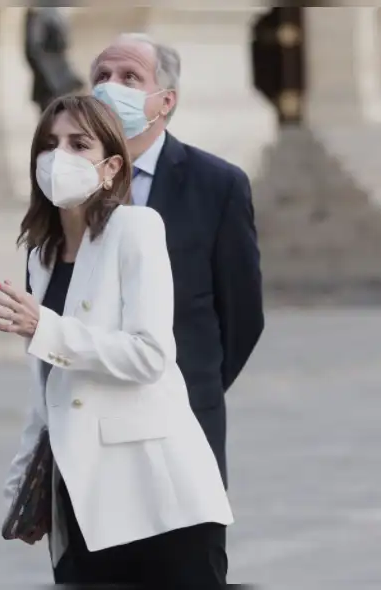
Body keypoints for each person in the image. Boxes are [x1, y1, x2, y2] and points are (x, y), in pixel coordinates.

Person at [0, 95, 233, 587]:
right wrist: (22, 484)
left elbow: (150, 355)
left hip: (157, 497)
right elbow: (46, 390)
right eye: (49, 144)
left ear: (111, 167)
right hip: (81, 498)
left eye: (78, 144)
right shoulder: (40, 256)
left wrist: (47, 329)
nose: (58, 157)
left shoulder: (136, 228)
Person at [89, 35, 264, 486]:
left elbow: (242, 314)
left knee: (186, 553)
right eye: (102, 78)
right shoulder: (70, 184)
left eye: (129, 77)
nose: (111, 88)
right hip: (90, 422)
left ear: (165, 100)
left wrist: (191, 384)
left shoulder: (217, 185)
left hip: (183, 414)